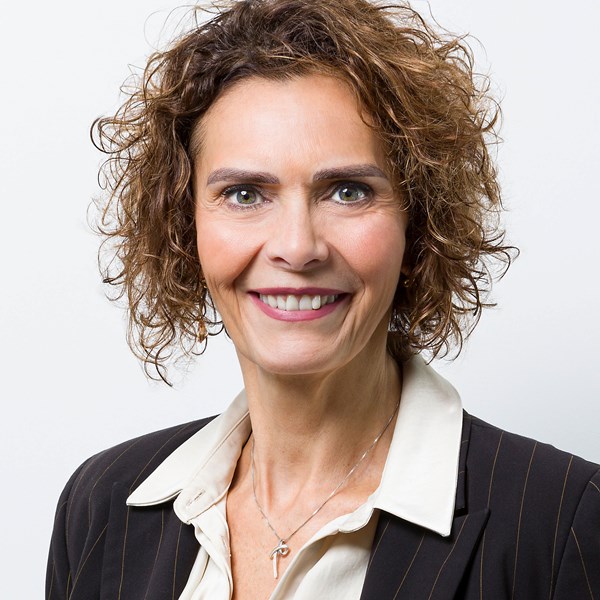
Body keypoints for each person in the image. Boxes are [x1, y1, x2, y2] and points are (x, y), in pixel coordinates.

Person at [46, 1, 600, 598]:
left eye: (348, 191)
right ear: (186, 227)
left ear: (419, 223)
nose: (297, 247)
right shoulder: (100, 507)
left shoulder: (563, 523)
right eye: (244, 194)